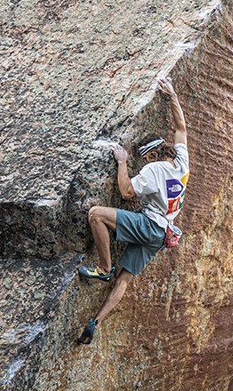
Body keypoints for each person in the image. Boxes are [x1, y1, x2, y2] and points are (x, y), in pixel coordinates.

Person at [77, 77, 189, 344]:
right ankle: (95, 322)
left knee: (96, 215)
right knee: (124, 281)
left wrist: (123, 162)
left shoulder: (152, 169)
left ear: (149, 157)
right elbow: (181, 127)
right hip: (161, 236)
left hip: (149, 225)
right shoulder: (182, 163)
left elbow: (127, 192)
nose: (144, 163)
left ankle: (104, 267)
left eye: (143, 159)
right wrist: (171, 94)